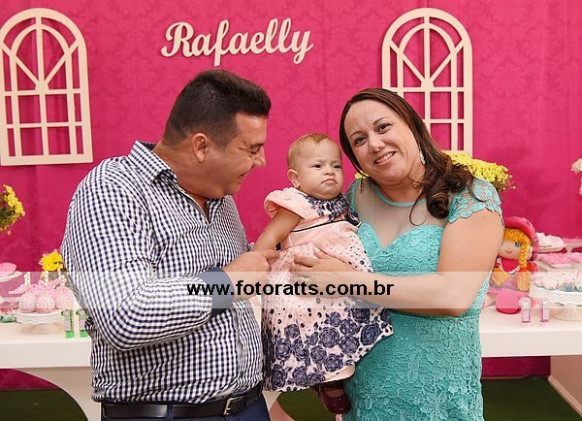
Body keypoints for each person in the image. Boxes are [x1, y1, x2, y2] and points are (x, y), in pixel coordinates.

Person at [61, 69, 279, 421]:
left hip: (248, 407)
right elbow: (123, 314)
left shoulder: (221, 198)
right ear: (201, 146)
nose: (261, 161)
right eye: (251, 149)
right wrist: (225, 283)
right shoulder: (112, 189)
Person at [293, 88, 504, 420]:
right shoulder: (355, 196)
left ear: (413, 126)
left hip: (438, 401)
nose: (375, 144)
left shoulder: (471, 196)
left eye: (383, 127)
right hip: (365, 399)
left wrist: (350, 281)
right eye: (359, 140)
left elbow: (453, 295)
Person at [253, 134, 392, 414]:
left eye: (335, 165)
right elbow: (270, 236)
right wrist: (257, 267)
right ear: (295, 178)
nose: (329, 171)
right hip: (305, 274)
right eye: (318, 166)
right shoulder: (296, 204)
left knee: (345, 319)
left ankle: (336, 374)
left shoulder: (343, 201)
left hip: (341, 274)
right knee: (310, 323)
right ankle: (327, 381)